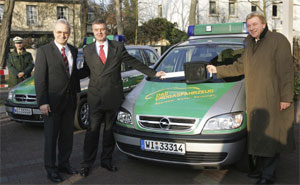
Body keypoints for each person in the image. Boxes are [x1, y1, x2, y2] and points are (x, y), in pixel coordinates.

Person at [207, 12, 295, 185]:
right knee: (258, 137)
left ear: (263, 24)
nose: (252, 28)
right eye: (249, 25)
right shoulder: (249, 43)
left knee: (270, 136)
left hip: (273, 97)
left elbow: (286, 71)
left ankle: (268, 176)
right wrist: (217, 70)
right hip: (255, 98)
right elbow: (239, 67)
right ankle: (262, 170)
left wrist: (286, 97)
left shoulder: (278, 40)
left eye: (255, 24)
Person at [79, 19, 165, 177]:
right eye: (96, 30)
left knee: (109, 130)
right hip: (95, 97)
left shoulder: (117, 47)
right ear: (93, 31)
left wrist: (153, 73)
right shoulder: (88, 50)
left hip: (113, 96)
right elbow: (86, 70)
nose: (99, 32)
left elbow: (133, 62)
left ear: (107, 31)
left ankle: (106, 160)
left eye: (102, 29)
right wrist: (69, 76)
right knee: (92, 131)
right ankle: (86, 164)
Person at [34, 19, 81, 183]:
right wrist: (42, 101)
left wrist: (77, 93)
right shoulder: (44, 51)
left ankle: (64, 164)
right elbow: (39, 79)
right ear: (54, 33)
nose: (63, 35)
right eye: (59, 32)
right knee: (51, 138)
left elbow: (73, 75)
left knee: (67, 137)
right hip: (51, 103)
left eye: (66, 32)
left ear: (69, 33)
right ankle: (51, 169)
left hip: (69, 102)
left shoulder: (73, 51)